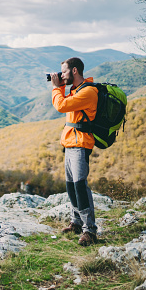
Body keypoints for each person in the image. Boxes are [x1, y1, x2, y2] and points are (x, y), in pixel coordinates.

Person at [50, 57, 98, 246]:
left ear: (75, 71)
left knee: (80, 186)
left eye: (64, 72)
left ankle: (90, 231)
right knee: (71, 186)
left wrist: (55, 87)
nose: (61, 75)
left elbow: (60, 106)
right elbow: (65, 105)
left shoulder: (88, 92)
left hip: (80, 144)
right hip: (70, 143)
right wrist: (61, 86)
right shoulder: (75, 90)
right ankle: (77, 222)